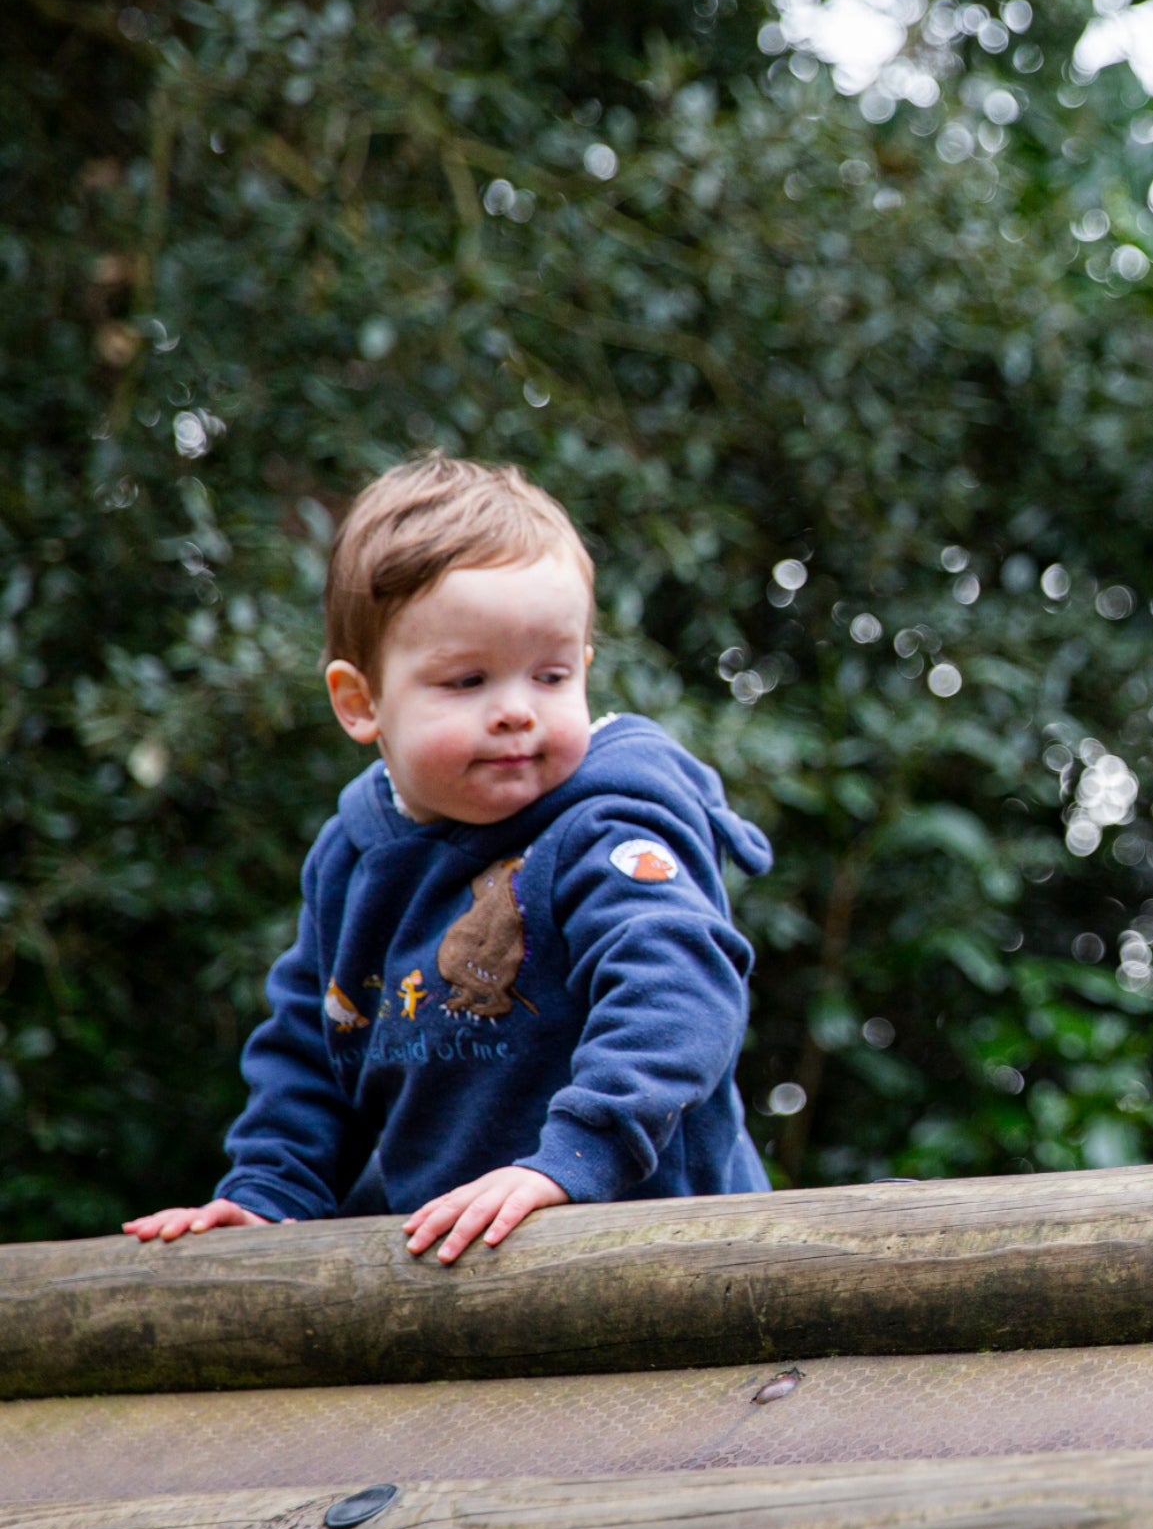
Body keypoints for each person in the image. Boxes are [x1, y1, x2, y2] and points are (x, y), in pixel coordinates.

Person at [123, 454, 774, 1260]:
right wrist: (270, 1192)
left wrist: (570, 1161)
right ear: (361, 703)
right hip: (457, 1268)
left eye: (551, 675)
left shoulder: (604, 829)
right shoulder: (352, 861)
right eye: (468, 681)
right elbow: (315, 1044)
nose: (515, 712)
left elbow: (679, 987)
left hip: (659, 1248)